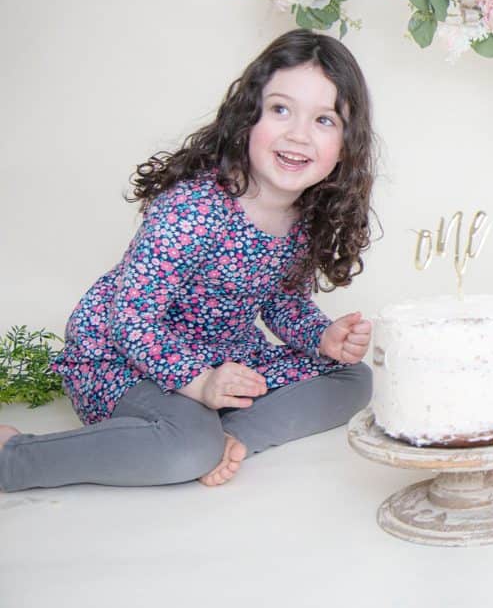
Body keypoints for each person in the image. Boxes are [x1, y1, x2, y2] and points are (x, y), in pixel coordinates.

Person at [0, 29, 376, 491]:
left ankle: (231, 438)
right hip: (123, 359)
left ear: (346, 144)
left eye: (324, 120)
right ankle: (14, 459)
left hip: (220, 357)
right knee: (185, 447)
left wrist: (323, 337)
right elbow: (130, 319)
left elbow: (282, 303)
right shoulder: (195, 208)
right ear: (248, 117)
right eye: (281, 109)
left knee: (353, 379)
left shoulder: (303, 216)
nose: (298, 134)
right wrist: (198, 383)